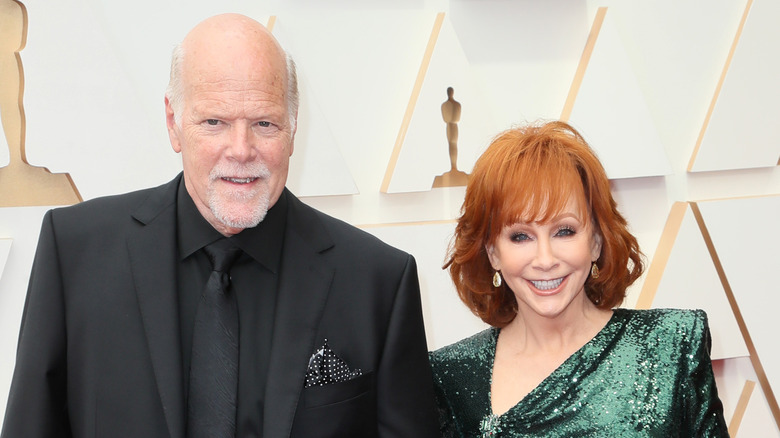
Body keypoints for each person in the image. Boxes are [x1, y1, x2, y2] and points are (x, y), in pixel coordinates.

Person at [1, 13, 439, 438]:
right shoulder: (75, 252)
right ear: (173, 123)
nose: (241, 150)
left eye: (264, 124)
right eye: (215, 122)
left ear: (294, 126)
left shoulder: (378, 280)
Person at [429, 121, 729, 437]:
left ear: (596, 241)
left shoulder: (671, 345)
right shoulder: (453, 376)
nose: (545, 260)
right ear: (492, 253)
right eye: (520, 236)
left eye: (565, 231)